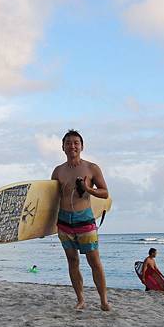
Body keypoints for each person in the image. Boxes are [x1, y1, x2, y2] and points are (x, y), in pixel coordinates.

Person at [51, 129, 110, 311]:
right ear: (63, 147)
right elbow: (51, 200)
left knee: (94, 261)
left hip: (84, 218)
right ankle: (81, 299)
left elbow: (105, 192)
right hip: (64, 221)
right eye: (68, 143)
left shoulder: (92, 168)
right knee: (72, 261)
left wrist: (88, 189)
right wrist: (40, 227)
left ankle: (103, 301)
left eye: (76, 143)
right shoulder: (58, 171)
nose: (72, 146)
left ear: (82, 146)